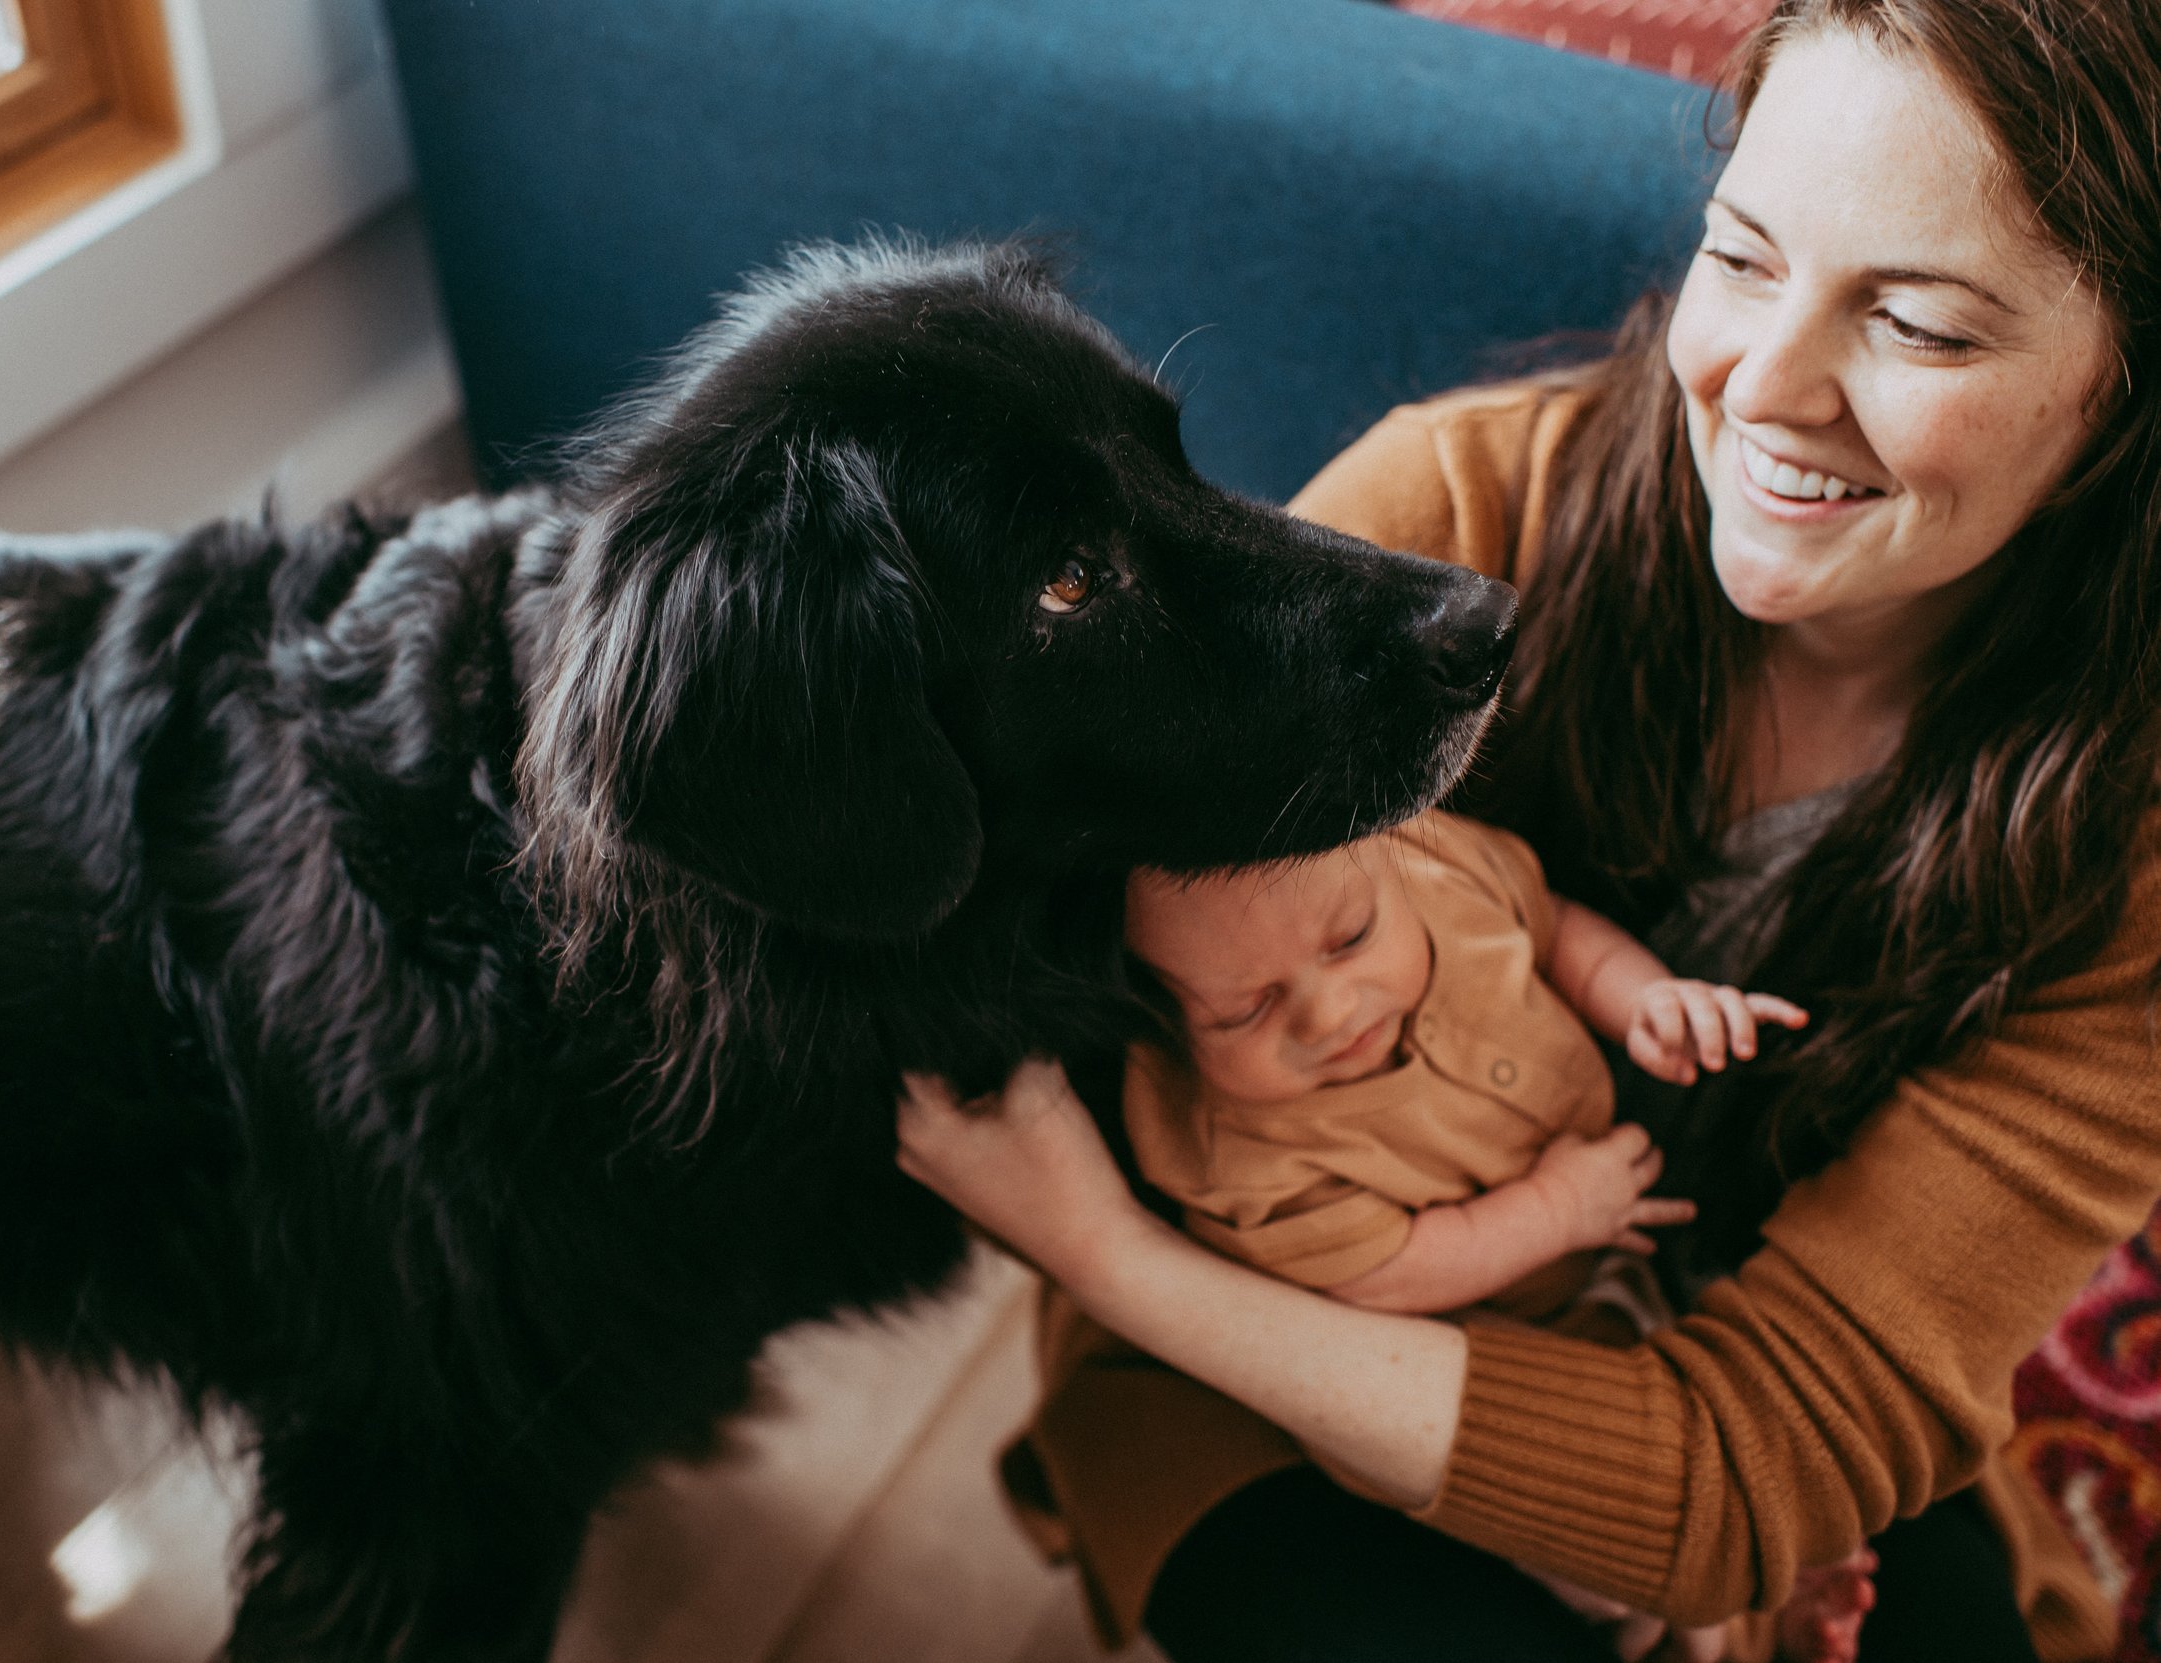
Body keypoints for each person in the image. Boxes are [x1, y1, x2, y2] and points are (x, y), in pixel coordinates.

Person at [896, 0, 2161, 1658]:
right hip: (1257, 1335)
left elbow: (1768, 1459)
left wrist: (1711, 1518)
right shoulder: (1449, 522)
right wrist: (1120, 1266)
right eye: (1744, 256)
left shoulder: (2122, 858)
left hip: (1726, 1354)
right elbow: (1039, 1039)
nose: (1763, 387)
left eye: (1918, 327)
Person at [1118, 813, 1873, 1661]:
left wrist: (1644, 999)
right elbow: (1374, 1279)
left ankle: (1745, 1597)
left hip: (1606, 1275)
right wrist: (1552, 1211)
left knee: (1697, 1413)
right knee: (1583, 1513)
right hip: (1447, 1357)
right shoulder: (1233, 1152)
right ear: (1168, 1034)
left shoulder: (1432, 862)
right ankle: (1698, 1622)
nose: (1330, 1010)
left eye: (1352, 937)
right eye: (1246, 1008)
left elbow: (1551, 927)